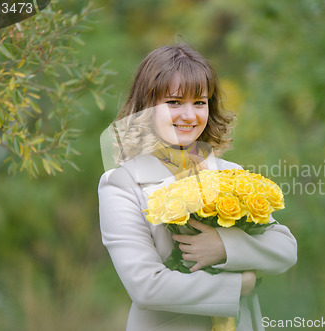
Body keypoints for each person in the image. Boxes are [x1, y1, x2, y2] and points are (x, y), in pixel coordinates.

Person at [98, 44, 297, 331]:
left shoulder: (231, 174)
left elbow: (285, 249)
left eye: (200, 103)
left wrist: (223, 247)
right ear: (146, 107)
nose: (189, 116)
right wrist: (241, 283)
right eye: (174, 102)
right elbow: (146, 286)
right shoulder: (121, 183)